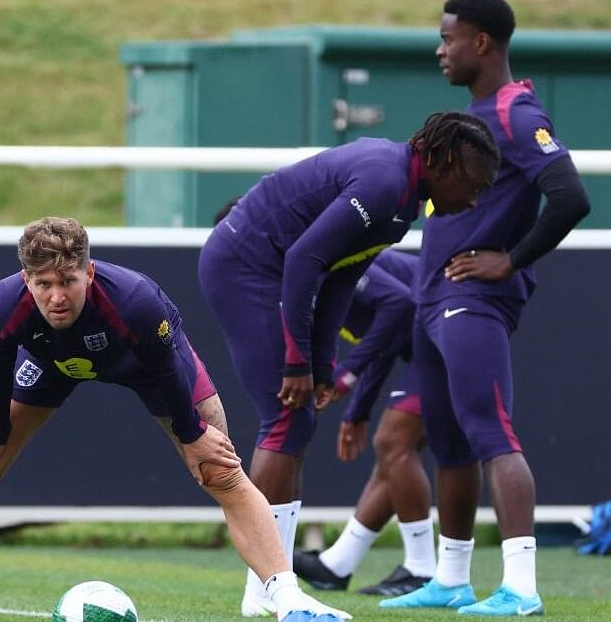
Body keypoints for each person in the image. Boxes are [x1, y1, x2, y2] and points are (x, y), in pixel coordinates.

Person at [0, 216, 350, 622]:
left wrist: (194, 436)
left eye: (68, 281)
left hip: (147, 365)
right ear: (25, 281)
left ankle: (287, 600)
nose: (57, 296)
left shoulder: (137, 303)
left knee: (220, 470)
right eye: (43, 284)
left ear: (90, 272)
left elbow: (167, 373)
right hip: (51, 363)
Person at [197, 112, 500, 615]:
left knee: (299, 421)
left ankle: (274, 586)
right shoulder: (384, 181)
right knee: (284, 417)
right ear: (442, 161)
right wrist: (298, 361)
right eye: (472, 183)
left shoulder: (403, 204)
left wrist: (322, 362)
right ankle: (267, 590)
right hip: (244, 266)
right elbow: (303, 261)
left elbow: (340, 276)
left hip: (276, 272)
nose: (473, 199)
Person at [380, 0, 590, 617]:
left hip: (472, 304)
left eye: (448, 38)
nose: (439, 49)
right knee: (448, 444)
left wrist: (509, 258)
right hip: (431, 298)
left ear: (482, 43)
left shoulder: (517, 114)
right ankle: (451, 580)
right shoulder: (476, 115)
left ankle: (522, 589)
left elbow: (572, 197)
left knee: (493, 435)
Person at [293, 249, 436, 596]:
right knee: (394, 455)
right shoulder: (297, 273)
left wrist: (346, 376)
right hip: (423, 341)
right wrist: (359, 408)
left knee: (392, 444)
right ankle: (337, 566)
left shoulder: (319, 257)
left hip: (443, 333)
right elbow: (385, 337)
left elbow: (400, 307)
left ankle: (422, 570)